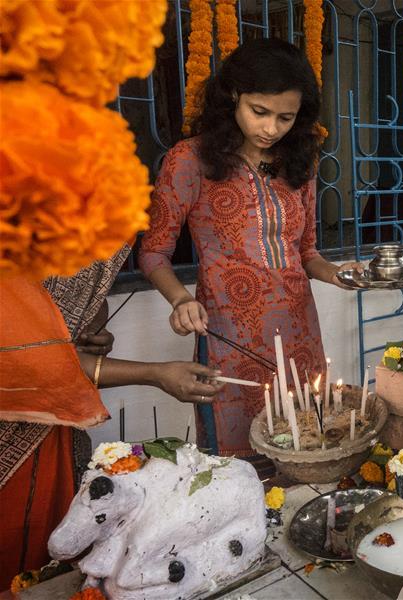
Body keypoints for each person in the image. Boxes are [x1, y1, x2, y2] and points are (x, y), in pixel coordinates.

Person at [140, 38, 362, 460]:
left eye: (285, 117)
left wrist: (337, 273)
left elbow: (307, 253)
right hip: (229, 336)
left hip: (299, 333)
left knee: (303, 445)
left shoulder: (301, 160)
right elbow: (153, 253)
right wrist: (180, 298)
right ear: (232, 97)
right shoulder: (190, 160)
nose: (271, 128)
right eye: (259, 112)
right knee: (238, 456)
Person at [0, 253, 223, 589]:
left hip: (55, 430)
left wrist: (93, 326)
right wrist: (156, 374)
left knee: (56, 542)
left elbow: (86, 298)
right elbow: (29, 358)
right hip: (14, 430)